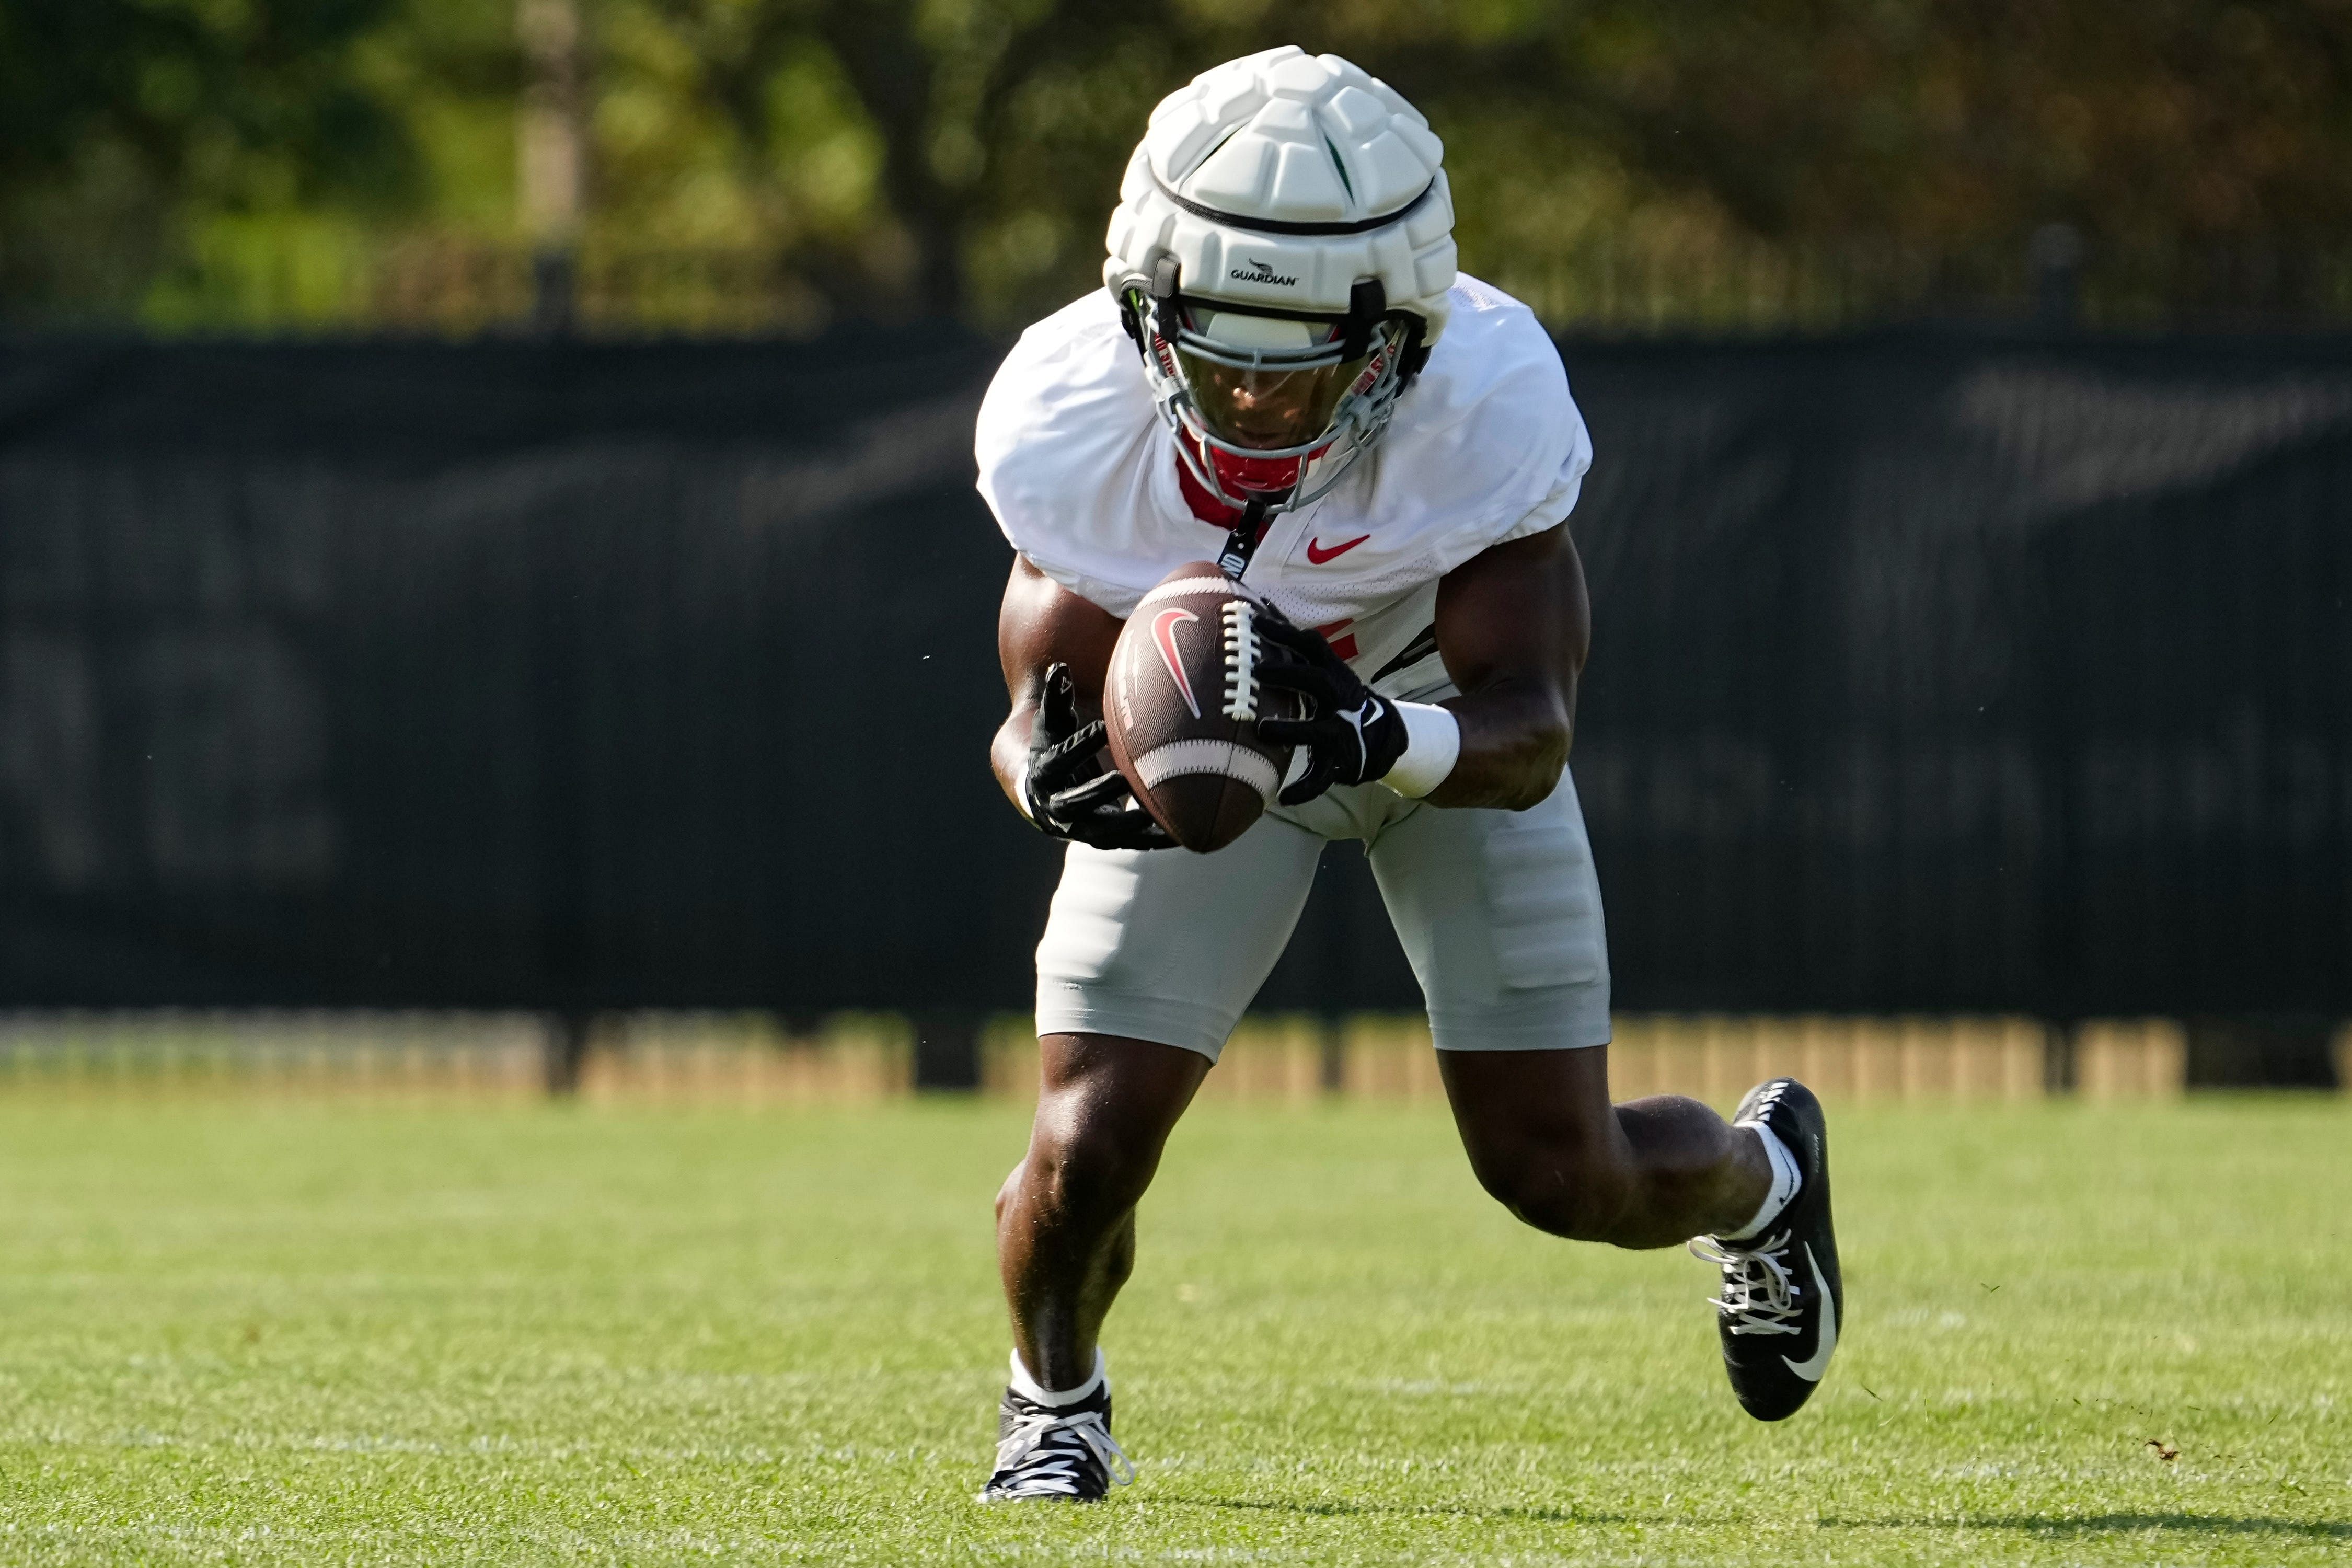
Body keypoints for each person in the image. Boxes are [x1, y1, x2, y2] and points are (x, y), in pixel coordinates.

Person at [970, 45, 1841, 1503]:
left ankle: (1764, 1187)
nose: (1250, 404)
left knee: (1557, 1177)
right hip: (1212, 736)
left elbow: (1530, 730)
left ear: (1400, 341)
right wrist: (1037, 771)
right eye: (1219, 355)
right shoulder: (1066, 415)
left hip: (1433, 730)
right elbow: (1034, 704)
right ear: (1144, 316)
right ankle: (1051, 1403)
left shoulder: (1484, 402)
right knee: (1083, 1145)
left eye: (1297, 363)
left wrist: (1370, 735)